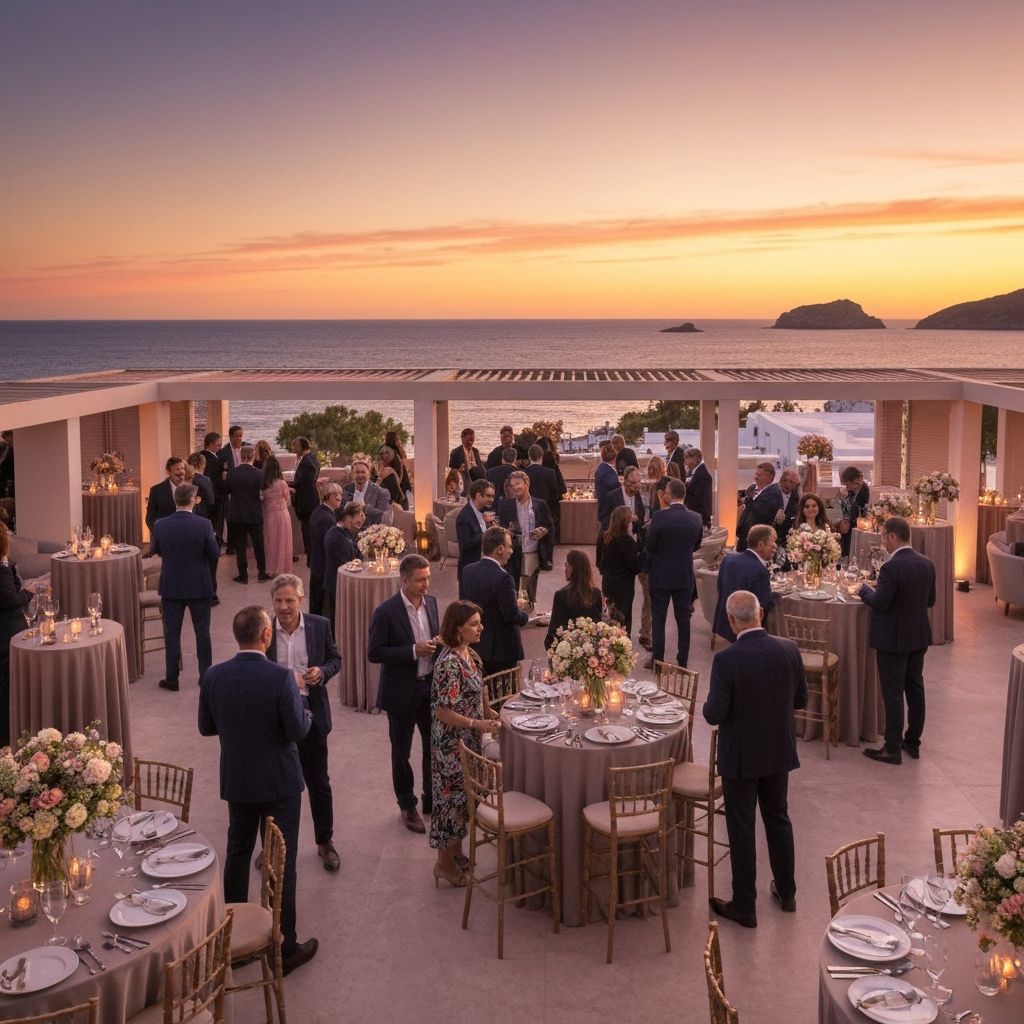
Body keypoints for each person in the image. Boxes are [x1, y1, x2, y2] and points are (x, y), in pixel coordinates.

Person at [198, 605, 318, 974]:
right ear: (266, 635)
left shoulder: (213, 675)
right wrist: (307, 713)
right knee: (281, 861)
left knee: (237, 854)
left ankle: (234, 943)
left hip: (238, 779)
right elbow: (297, 730)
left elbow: (206, 727)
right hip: (279, 782)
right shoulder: (280, 678)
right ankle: (285, 946)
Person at [703, 590, 807, 928]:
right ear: (760, 614)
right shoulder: (789, 649)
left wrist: (708, 705)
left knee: (742, 826)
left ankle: (745, 905)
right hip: (778, 750)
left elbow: (714, 713)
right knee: (778, 818)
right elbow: (800, 700)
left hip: (742, 755)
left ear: (732, 620)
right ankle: (787, 892)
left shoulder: (727, 660)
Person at [267, 574, 342, 872]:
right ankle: (272, 846)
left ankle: (325, 841)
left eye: (289, 600)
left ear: (301, 600)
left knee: (318, 782)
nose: (283, 607)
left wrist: (321, 672)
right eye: (278, 601)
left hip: (311, 711)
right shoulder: (264, 628)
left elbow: (335, 659)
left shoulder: (319, 625)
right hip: (274, 717)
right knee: (273, 785)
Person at [429, 600, 501, 887]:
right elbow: (442, 711)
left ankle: (456, 854)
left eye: (479, 622)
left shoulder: (470, 653)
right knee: (449, 803)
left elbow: (479, 689)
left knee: (462, 801)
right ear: (458, 629)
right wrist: (476, 724)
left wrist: (489, 711)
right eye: (474, 624)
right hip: (450, 744)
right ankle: (443, 864)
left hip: (468, 740)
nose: (480, 627)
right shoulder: (448, 664)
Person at [367, 554, 440, 834]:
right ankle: (407, 805)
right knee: (401, 752)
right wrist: (413, 651)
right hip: (401, 692)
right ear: (405, 580)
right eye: (421, 580)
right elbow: (375, 652)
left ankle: (431, 797)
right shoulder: (386, 612)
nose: (426, 584)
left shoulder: (432, 603)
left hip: (429, 688)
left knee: (433, 745)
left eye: (428, 578)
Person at [858, 516, 936, 765]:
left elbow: (880, 603)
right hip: (918, 635)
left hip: (893, 638)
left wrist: (864, 590)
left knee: (892, 692)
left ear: (893, 535)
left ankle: (892, 747)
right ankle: (912, 741)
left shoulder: (891, 567)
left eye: (884, 537)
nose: (883, 542)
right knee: (915, 687)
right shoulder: (927, 563)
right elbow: (930, 601)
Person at [150, 483, 220, 692]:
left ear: (175, 500)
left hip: (171, 585)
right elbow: (214, 553)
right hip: (199, 585)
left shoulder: (161, 525)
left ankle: (172, 678)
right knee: (202, 633)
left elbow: (156, 550)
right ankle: (205, 676)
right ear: (192, 500)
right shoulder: (204, 525)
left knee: (172, 633)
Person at [645, 478, 703, 669]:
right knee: (683, 621)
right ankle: (682, 661)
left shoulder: (659, 517)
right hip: (684, 575)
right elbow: (696, 545)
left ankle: (658, 661)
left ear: (669, 495)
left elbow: (650, 545)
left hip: (660, 575)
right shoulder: (696, 518)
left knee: (659, 620)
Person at [460, 526, 528, 678]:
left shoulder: (467, 571)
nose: (511, 551)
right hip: (502, 651)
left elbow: (464, 607)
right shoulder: (504, 578)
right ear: (500, 549)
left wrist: (511, 603)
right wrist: (524, 615)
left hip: (475, 645)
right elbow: (511, 616)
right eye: (509, 547)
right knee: (505, 691)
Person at [495, 470, 553, 606]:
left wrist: (544, 531)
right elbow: (500, 529)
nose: (515, 487)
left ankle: (528, 612)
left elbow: (550, 526)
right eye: (512, 485)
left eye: (518, 483)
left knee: (529, 593)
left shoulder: (541, 504)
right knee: (511, 589)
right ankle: (513, 612)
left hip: (533, 552)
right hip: (512, 553)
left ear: (527, 483)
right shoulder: (506, 505)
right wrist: (506, 532)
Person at [712, 524, 777, 643]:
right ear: (761, 545)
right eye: (773, 543)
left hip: (725, 621)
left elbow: (719, 587)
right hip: (747, 628)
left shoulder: (729, 559)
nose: (775, 546)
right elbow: (765, 604)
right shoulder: (760, 571)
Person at [0, 522, 31, 745]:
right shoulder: (1, 570)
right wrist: (29, 592)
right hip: (7, 636)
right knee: (8, 690)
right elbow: (10, 600)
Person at [223, 444, 269, 584]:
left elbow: (226, 490)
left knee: (240, 547)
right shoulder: (259, 473)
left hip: (236, 514)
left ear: (240, 456)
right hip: (254, 513)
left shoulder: (232, 473)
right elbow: (264, 490)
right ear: (253, 457)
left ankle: (243, 576)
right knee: (258, 545)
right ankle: (262, 573)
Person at [545, 549, 603, 650]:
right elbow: (598, 627)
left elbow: (553, 633)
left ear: (574, 568)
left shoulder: (561, 595)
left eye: (566, 565)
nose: (565, 569)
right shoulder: (596, 593)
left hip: (567, 652)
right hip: (590, 651)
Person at [601, 505, 643, 635]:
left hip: (608, 583)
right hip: (623, 587)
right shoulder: (626, 541)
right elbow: (635, 566)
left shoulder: (606, 537)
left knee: (610, 618)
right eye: (631, 521)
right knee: (623, 620)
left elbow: (601, 563)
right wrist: (642, 553)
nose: (632, 524)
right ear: (625, 523)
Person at [322, 502, 364, 626]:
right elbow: (347, 565)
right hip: (337, 587)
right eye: (359, 518)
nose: (361, 521)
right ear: (348, 519)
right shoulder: (337, 538)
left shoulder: (341, 532)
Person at [186, 452, 220, 604]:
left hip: (188, 522)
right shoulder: (205, 480)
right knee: (210, 561)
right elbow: (212, 501)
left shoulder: (186, 480)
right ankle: (211, 593)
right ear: (201, 464)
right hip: (204, 521)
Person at [597, 464, 645, 569]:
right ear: (625, 481)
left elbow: (641, 514)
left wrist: (637, 520)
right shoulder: (612, 496)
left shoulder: (638, 495)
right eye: (633, 483)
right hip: (616, 542)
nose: (636, 486)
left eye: (638, 482)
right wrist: (617, 524)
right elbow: (603, 516)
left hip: (632, 541)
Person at [455, 479, 496, 593]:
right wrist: (487, 533)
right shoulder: (464, 517)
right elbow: (465, 544)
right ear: (478, 496)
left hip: (483, 569)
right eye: (488, 496)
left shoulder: (482, 512)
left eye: (493, 496)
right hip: (470, 570)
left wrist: (488, 526)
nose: (492, 499)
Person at [308, 483, 342, 616]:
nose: (339, 497)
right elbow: (330, 544)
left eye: (340, 494)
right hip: (322, 566)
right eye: (335, 494)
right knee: (320, 605)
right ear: (327, 496)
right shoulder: (325, 518)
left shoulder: (321, 511)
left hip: (318, 564)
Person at [736, 462, 784, 552]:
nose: (756, 477)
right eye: (756, 474)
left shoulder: (774, 494)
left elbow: (765, 516)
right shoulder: (752, 488)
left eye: (759, 475)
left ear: (770, 477)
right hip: (743, 538)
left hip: (759, 541)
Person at [289, 436, 320, 563]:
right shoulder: (311, 458)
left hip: (307, 501)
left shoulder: (307, 460)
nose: (293, 448)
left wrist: (293, 485)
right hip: (309, 500)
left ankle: (311, 558)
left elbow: (307, 480)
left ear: (303, 446)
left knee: (307, 530)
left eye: (296, 445)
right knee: (308, 529)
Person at [261, 455, 293, 576]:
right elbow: (288, 502)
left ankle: (271, 568)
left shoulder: (263, 484)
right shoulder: (282, 483)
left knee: (271, 542)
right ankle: (283, 567)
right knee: (283, 542)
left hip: (269, 515)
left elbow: (262, 500)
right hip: (282, 515)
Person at [342, 458, 392, 525]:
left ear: (369, 474)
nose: (360, 475)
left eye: (363, 472)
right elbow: (340, 511)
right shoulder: (347, 489)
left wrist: (364, 508)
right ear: (352, 474)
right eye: (357, 472)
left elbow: (384, 516)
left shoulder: (381, 492)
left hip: (370, 529)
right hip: (348, 528)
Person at [145, 457, 186, 533]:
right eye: (177, 469)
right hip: (165, 534)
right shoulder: (156, 490)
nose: (181, 472)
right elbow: (150, 518)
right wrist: (159, 533)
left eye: (182, 468)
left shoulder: (191, 489)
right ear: (168, 472)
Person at [836, 466, 870, 558]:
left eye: (847, 484)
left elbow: (859, 511)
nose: (846, 487)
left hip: (856, 525)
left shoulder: (863, 491)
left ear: (853, 481)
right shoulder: (853, 490)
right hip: (849, 523)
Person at [200, 432, 226, 544]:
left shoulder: (201, 455)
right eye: (217, 445)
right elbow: (215, 479)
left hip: (204, 496)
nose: (219, 447)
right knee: (213, 522)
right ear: (210, 444)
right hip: (214, 496)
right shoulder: (212, 460)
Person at [683, 447, 713, 527]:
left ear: (694, 458)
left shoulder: (702, 474)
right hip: (697, 516)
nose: (685, 461)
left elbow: (699, 498)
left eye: (686, 458)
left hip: (699, 517)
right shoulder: (697, 471)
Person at [774, 468, 801, 547]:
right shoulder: (772, 494)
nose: (787, 484)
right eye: (785, 480)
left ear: (794, 485)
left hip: (787, 540)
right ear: (780, 481)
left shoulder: (797, 499)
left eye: (791, 482)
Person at [593, 441, 619, 515]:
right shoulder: (608, 472)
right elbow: (615, 492)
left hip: (604, 510)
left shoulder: (602, 468)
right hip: (609, 512)